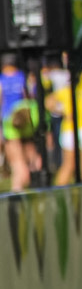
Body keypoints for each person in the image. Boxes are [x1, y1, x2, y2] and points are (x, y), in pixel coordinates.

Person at [0, 53, 31, 191]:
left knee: (17, 161)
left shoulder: (1, 79)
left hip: (8, 121)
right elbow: (27, 96)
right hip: (24, 120)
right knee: (28, 155)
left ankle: (16, 192)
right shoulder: (22, 77)